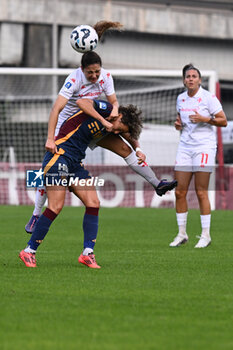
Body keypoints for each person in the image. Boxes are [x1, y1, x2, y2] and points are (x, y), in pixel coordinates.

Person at [25, 21, 177, 234]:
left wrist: (118, 118)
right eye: (90, 73)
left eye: (96, 72)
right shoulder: (73, 80)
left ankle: (157, 183)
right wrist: (51, 137)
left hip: (92, 122)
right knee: (47, 169)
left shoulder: (105, 76)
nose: (94, 77)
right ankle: (35, 214)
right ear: (82, 70)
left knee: (126, 149)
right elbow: (57, 109)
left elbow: (116, 104)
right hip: (69, 128)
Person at [19, 99, 144, 268]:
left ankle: (87, 253)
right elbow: (81, 102)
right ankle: (29, 250)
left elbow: (127, 138)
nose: (115, 132)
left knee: (93, 203)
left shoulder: (110, 122)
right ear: (119, 116)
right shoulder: (102, 108)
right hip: (59, 156)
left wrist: (137, 149)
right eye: (119, 129)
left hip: (75, 163)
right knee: (55, 206)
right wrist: (103, 120)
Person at [169, 64, 227, 248]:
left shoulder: (208, 98)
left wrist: (205, 119)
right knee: (179, 191)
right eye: (188, 76)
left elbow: (223, 121)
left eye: (194, 76)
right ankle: (181, 234)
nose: (191, 79)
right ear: (184, 80)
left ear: (200, 80)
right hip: (185, 147)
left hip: (204, 147)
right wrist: (178, 124)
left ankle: (205, 235)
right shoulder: (180, 99)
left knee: (201, 191)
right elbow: (181, 121)